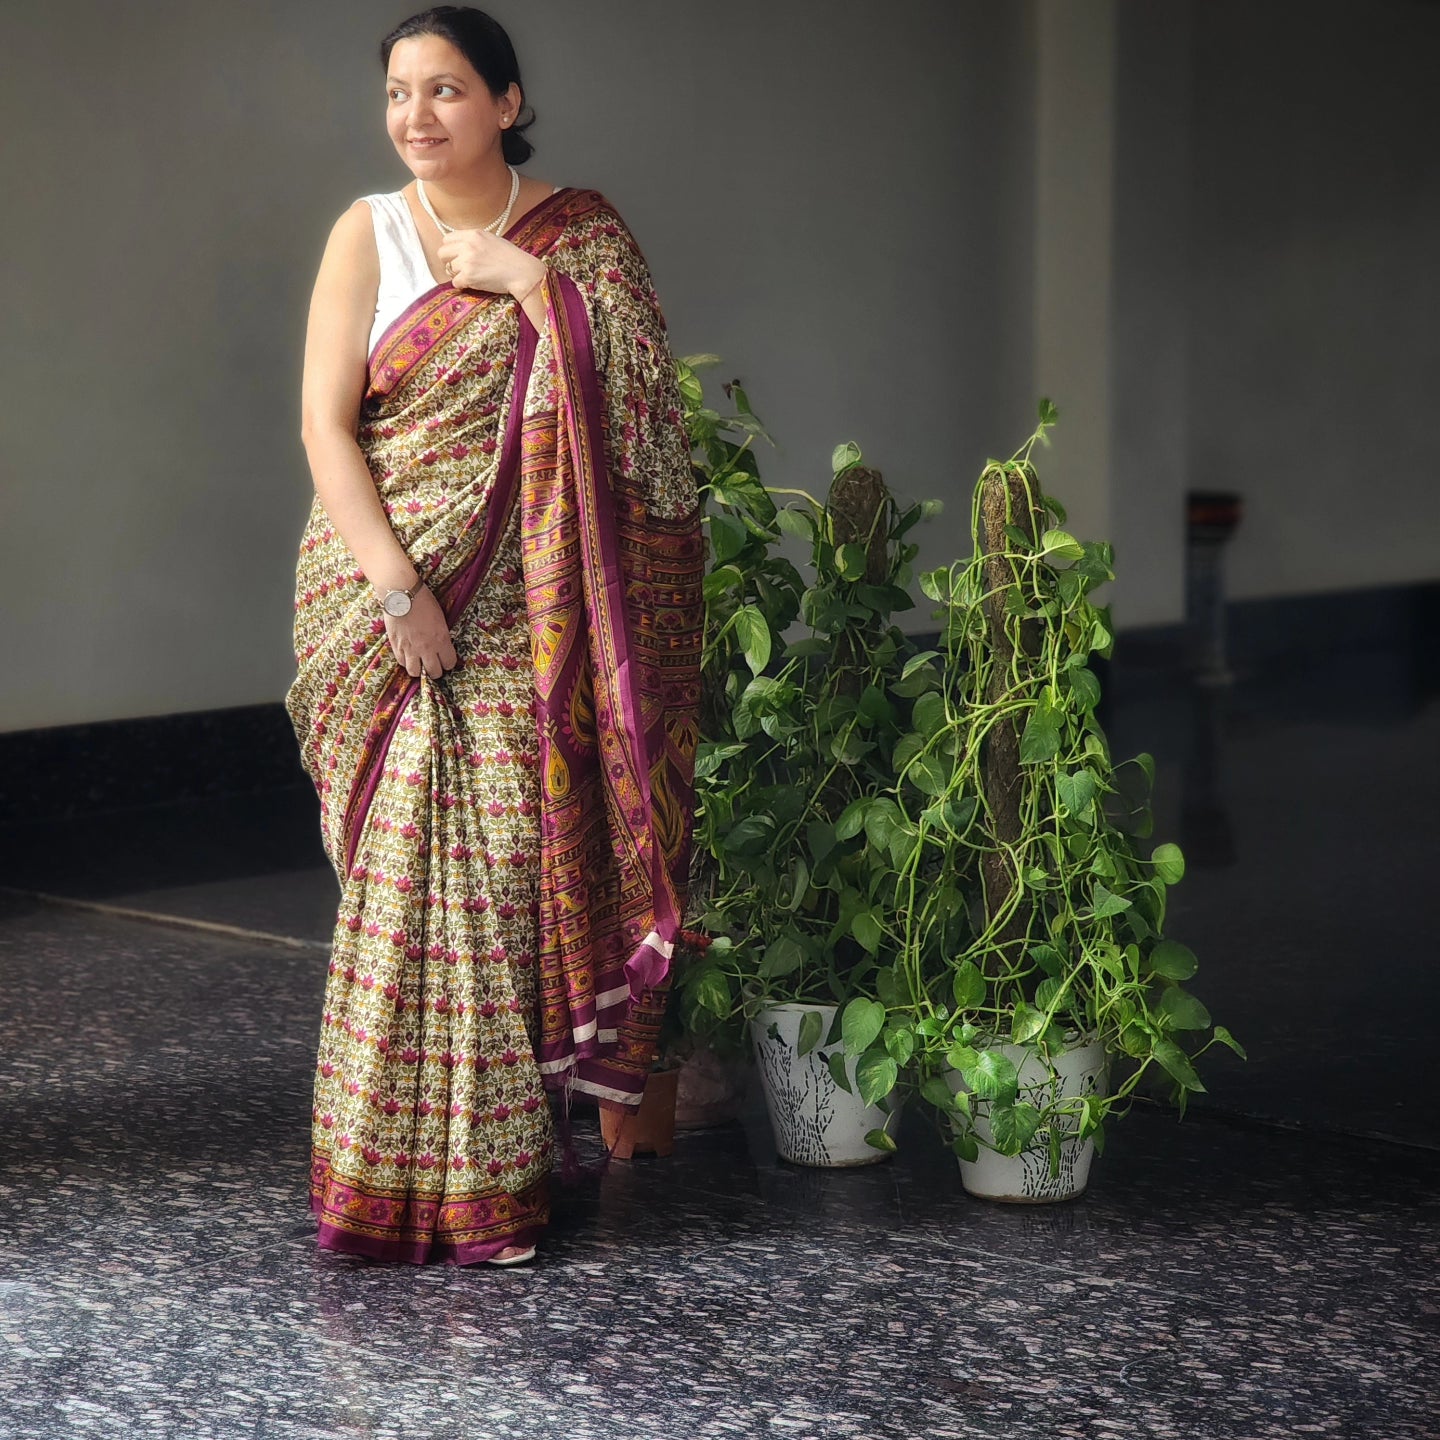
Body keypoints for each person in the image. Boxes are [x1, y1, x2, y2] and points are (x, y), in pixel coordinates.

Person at [284, 4, 704, 1267]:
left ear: (508, 103)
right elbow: (325, 428)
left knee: (504, 873)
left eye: (449, 90)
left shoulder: (582, 240)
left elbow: (648, 431)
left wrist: (535, 290)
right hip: (386, 593)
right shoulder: (367, 232)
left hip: (532, 607)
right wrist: (397, 588)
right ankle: (384, 1189)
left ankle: (492, 1178)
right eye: (401, 93)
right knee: (406, 884)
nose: (418, 117)